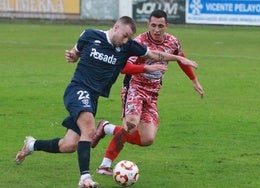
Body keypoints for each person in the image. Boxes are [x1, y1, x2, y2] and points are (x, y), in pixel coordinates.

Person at [15, 16, 198, 188]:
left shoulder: (127, 47)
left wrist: (178, 58)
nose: (126, 40)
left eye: (129, 38)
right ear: (116, 27)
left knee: (69, 145)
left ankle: (31, 145)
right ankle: (85, 178)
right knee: (89, 129)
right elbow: (75, 53)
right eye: (125, 35)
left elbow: (155, 54)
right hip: (78, 89)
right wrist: (71, 56)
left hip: (92, 98)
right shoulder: (89, 35)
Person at [91, 10, 205, 176]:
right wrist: (146, 67)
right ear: (148, 25)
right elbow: (124, 68)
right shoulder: (139, 42)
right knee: (130, 125)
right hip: (134, 88)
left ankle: (106, 127)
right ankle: (104, 165)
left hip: (152, 94)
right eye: (153, 25)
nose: (157, 29)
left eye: (160, 26)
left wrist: (194, 80)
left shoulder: (172, 42)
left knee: (147, 139)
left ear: (167, 25)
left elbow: (181, 58)